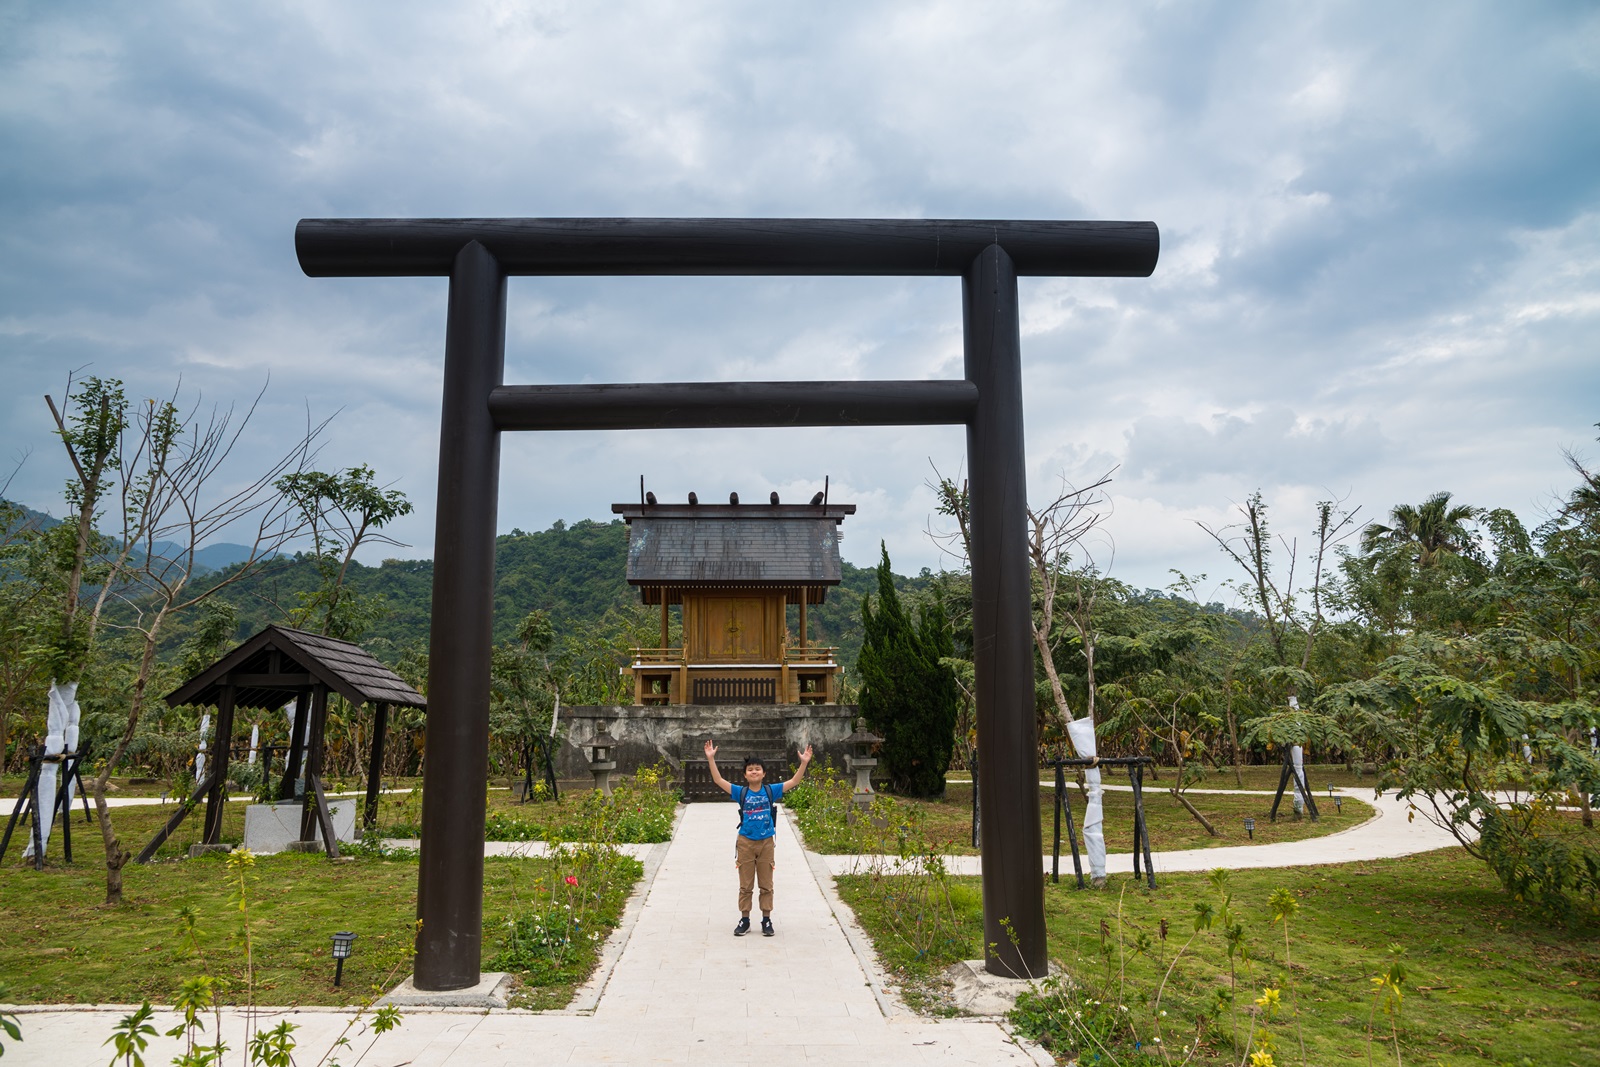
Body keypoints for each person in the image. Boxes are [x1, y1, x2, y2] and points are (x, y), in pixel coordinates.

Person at [703, 737, 812, 936]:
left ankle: (766, 920)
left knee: (766, 884)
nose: (754, 771)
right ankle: (744, 920)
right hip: (745, 842)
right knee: (745, 885)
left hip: (766, 843)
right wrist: (711, 759)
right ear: (745, 775)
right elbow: (718, 780)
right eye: (750, 769)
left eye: (757, 769)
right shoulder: (740, 792)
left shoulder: (771, 790)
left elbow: (795, 781)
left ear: (763, 773)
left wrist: (803, 762)